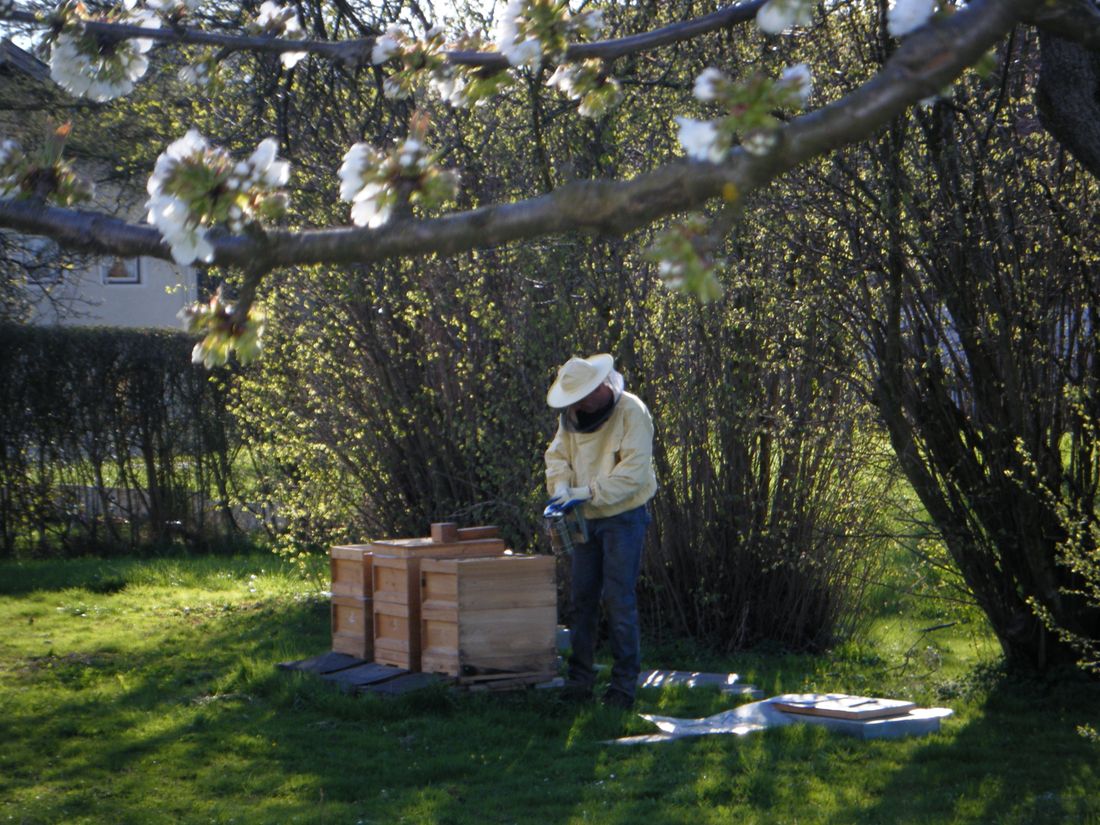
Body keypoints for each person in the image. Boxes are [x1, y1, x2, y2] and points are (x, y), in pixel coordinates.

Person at [544, 353, 657, 709]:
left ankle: (622, 689)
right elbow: (557, 456)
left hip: (623, 517)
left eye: (581, 399)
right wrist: (562, 487)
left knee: (619, 600)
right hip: (584, 518)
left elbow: (634, 473)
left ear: (597, 388)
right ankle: (579, 683)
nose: (576, 406)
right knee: (582, 600)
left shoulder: (632, 412)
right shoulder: (570, 418)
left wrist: (588, 492)